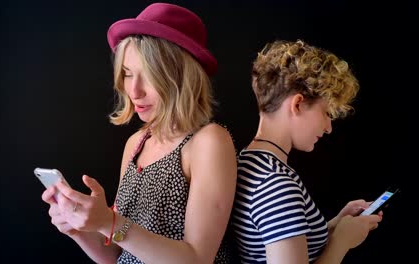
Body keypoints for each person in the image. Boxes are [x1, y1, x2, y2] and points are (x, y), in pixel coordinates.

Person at [41, 3, 237, 263]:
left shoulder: (209, 141)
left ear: (182, 78)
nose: (134, 92)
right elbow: (116, 256)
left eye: (150, 76)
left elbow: (197, 258)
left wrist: (109, 223)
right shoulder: (137, 143)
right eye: (127, 74)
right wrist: (80, 228)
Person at [231, 40, 383, 263]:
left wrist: (336, 224)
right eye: (326, 113)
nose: (329, 127)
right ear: (298, 104)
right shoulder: (275, 183)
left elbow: (287, 239)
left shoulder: (248, 162)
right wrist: (342, 242)